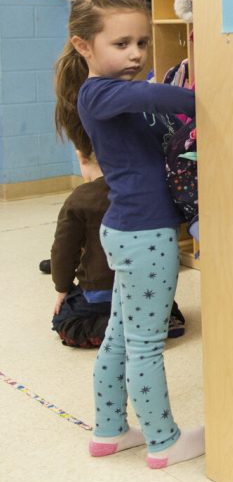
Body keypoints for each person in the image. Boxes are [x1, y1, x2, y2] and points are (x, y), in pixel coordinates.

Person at [53, 0, 203, 468]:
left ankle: (111, 429)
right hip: (145, 236)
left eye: (142, 42)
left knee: (121, 334)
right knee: (144, 343)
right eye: (122, 44)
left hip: (130, 231)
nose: (136, 54)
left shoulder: (110, 94)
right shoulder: (101, 92)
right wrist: (218, 88)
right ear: (84, 46)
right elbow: (161, 95)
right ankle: (163, 440)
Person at [50, 149, 186, 348]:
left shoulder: (79, 199)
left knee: (62, 320)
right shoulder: (142, 190)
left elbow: (63, 251)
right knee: (156, 303)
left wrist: (62, 288)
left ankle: (116, 328)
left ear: (81, 157)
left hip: (99, 292)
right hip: (146, 287)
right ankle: (160, 320)